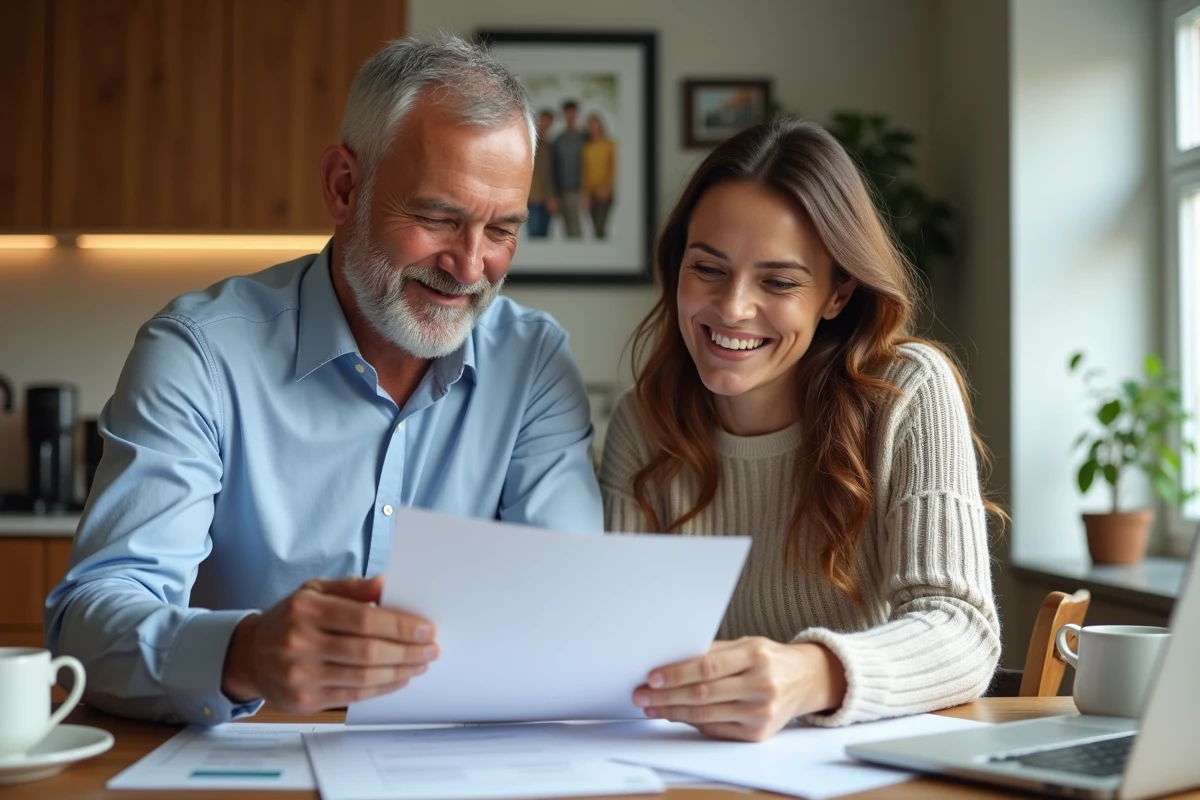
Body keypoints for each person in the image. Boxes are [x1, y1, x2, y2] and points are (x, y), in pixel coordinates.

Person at [44, 33, 603, 726]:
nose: (468, 266)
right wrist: (243, 653)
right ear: (344, 187)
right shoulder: (199, 354)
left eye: (502, 231)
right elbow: (89, 623)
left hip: (456, 763)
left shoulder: (534, 366)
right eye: (437, 218)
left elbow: (570, 610)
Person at [599, 118, 1002, 742]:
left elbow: (962, 630)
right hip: (692, 771)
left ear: (838, 293)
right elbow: (619, 639)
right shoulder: (642, 423)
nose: (732, 308)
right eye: (707, 268)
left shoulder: (909, 393)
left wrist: (808, 675)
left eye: (779, 282)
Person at [551, 100, 586, 238]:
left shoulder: (584, 137)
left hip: (579, 191)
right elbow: (553, 168)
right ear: (564, 115)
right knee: (566, 230)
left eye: (573, 114)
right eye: (567, 114)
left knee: (577, 229)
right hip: (562, 191)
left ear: (576, 115)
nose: (570, 117)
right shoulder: (558, 140)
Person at [581, 113, 615, 239]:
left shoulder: (610, 145)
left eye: (595, 126)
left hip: (606, 191)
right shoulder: (587, 148)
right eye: (591, 126)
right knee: (595, 228)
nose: (593, 129)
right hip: (592, 193)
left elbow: (614, 168)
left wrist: (608, 186)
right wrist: (586, 194)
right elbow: (586, 173)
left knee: (601, 227)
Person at [526, 108, 557, 238]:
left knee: (543, 238)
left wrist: (551, 196)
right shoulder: (528, 143)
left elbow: (549, 174)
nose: (545, 125)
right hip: (532, 198)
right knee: (534, 237)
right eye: (543, 121)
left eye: (548, 123)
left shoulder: (549, 146)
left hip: (545, 200)